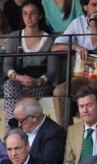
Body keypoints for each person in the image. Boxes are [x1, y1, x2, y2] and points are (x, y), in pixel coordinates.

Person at [52, 0, 97, 126]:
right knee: (59, 91)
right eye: (94, 5)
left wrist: (92, 22)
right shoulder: (78, 22)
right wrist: (75, 47)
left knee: (93, 84)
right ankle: (64, 132)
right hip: (82, 75)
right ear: (85, 6)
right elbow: (55, 46)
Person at [2, 0, 57, 130]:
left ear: (40, 16)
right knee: (9, 84)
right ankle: (13, 123)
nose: (29, 17)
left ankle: (16, 128)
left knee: (19, 98)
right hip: (19, 83)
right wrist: (18, 77)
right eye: (25, 14)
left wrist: (37, 81)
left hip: (40, 85)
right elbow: (7, 65)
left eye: (33, 13)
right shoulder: (14, 37)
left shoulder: (50, 39)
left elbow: (52, 71)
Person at [13, 98, 66, 164]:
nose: (19, 125)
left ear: (33, 118)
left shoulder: (55, 133)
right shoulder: (20, 131)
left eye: (21, 121)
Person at [61, 86, 97, 164]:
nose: (85, 110)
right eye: (81, 106)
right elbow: (69, 161)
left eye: (89, 105)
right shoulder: (72, 130)